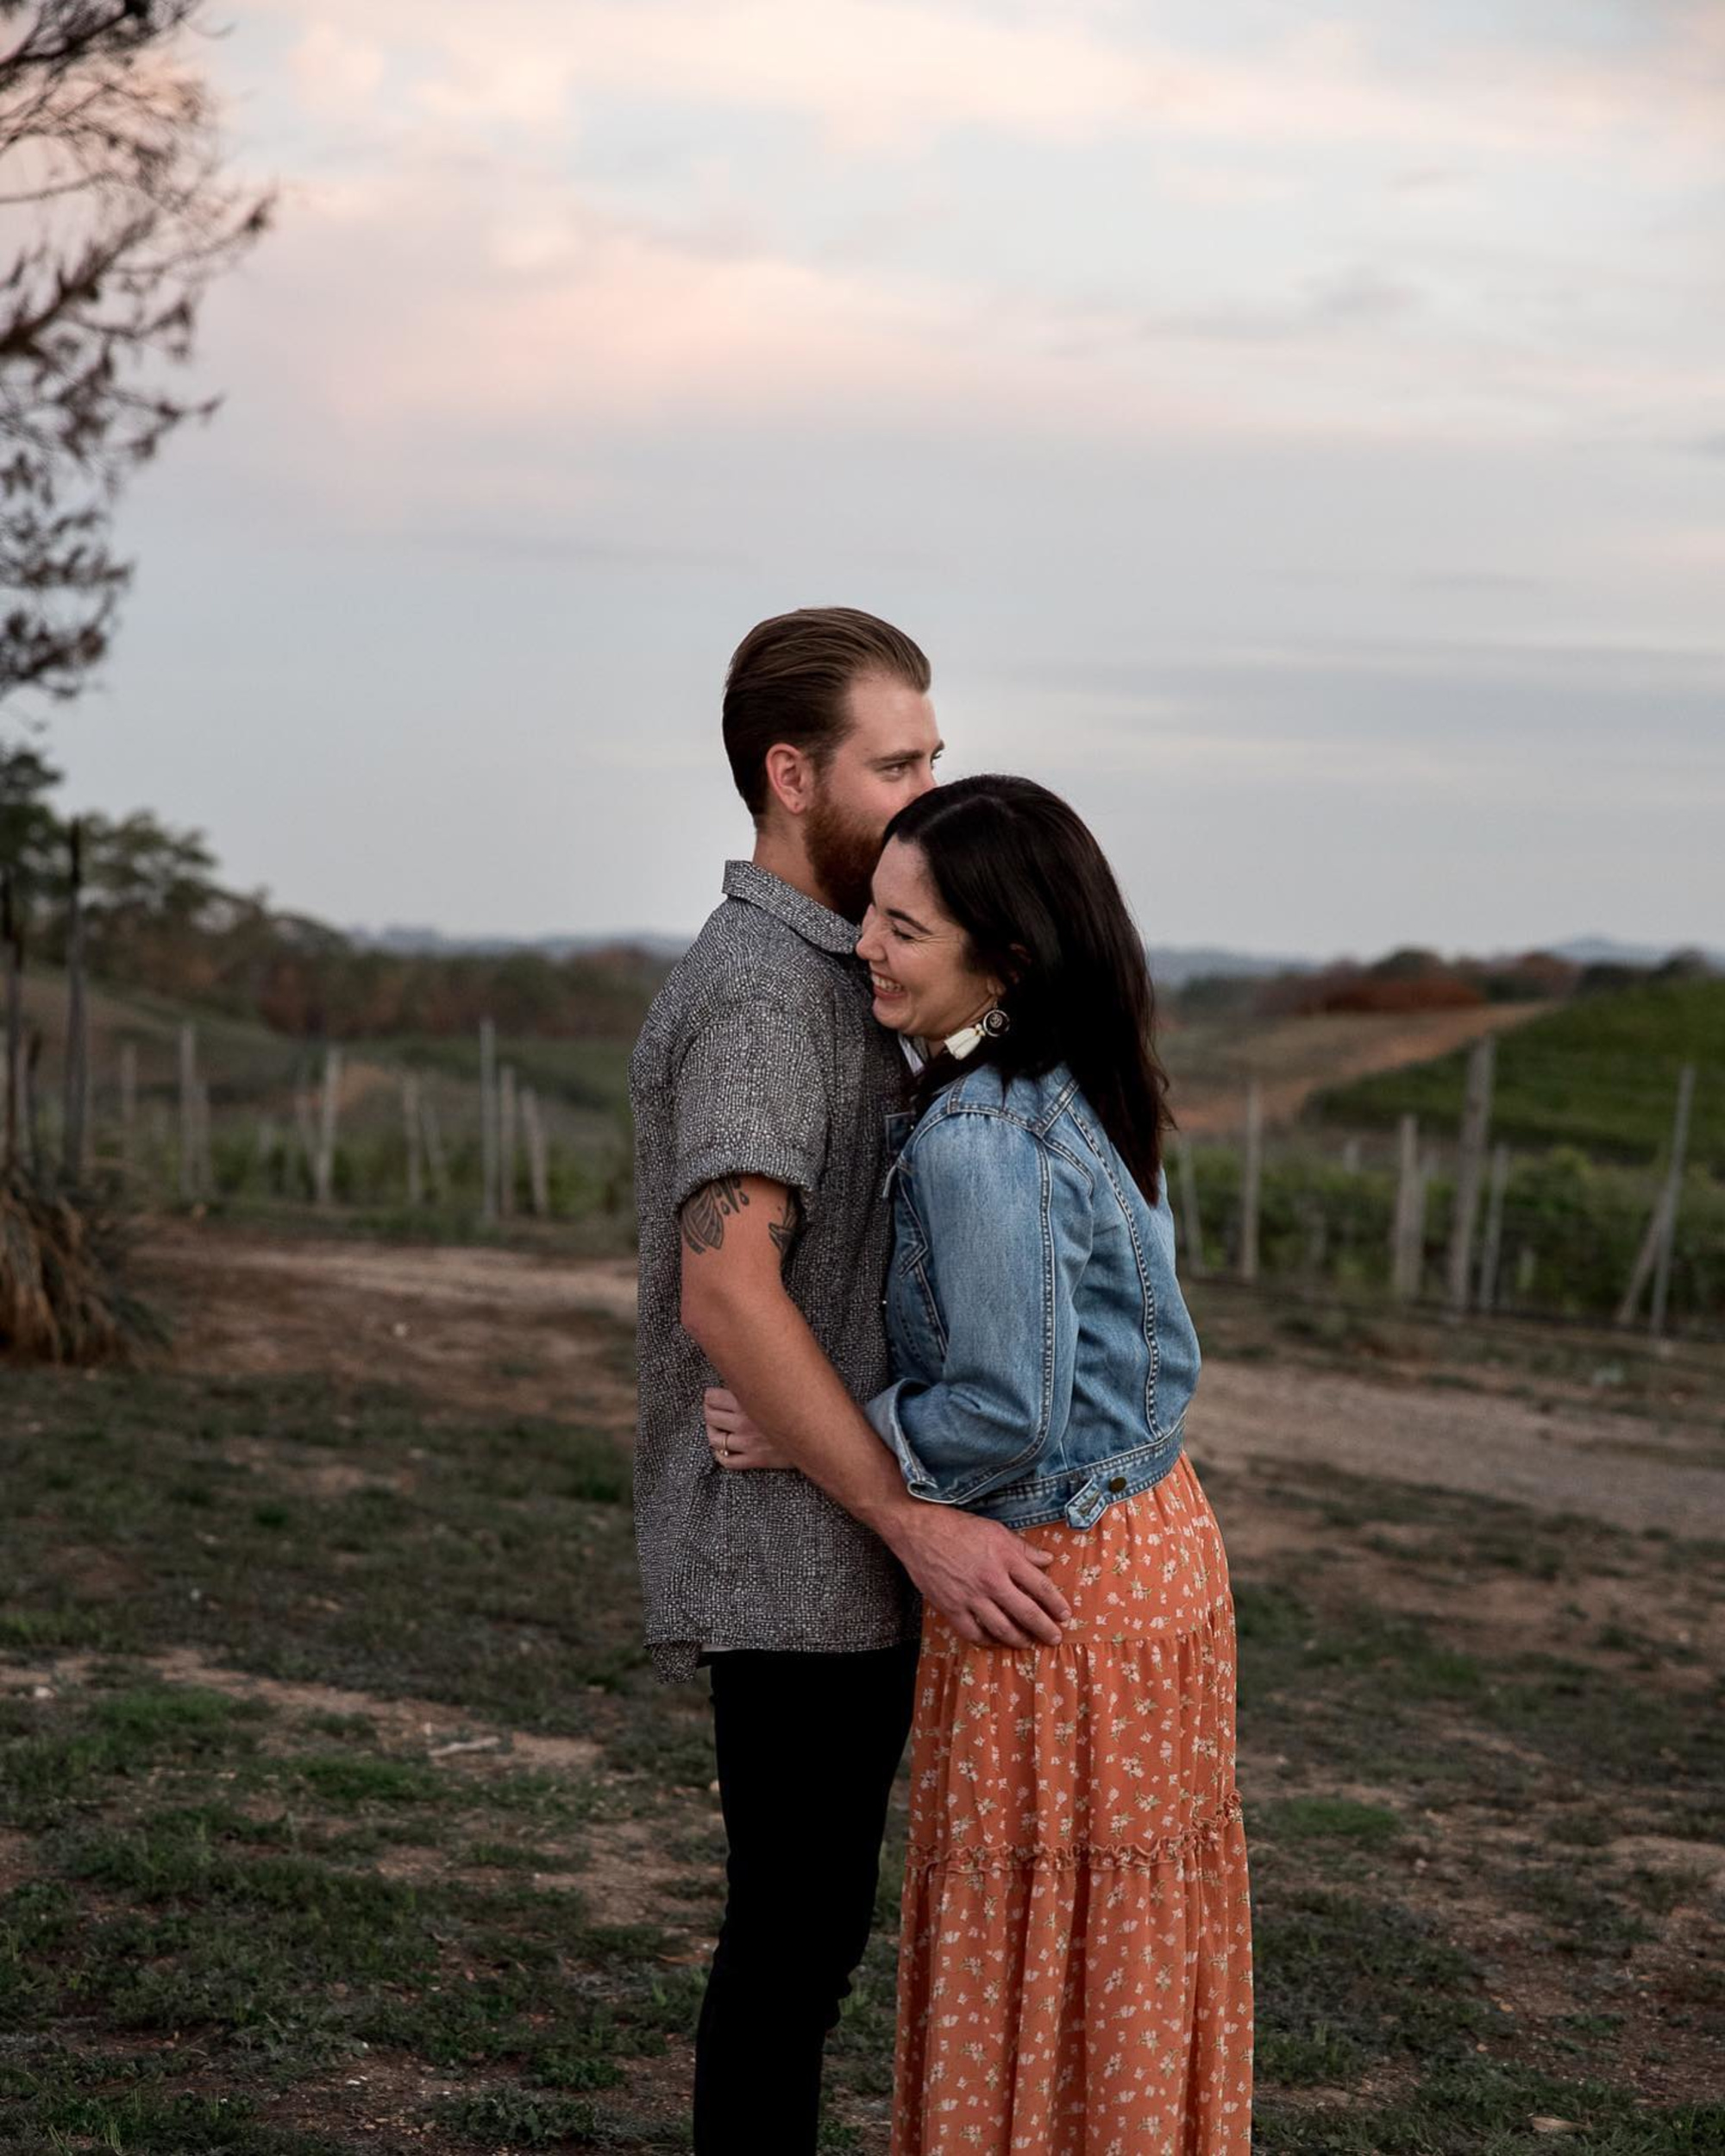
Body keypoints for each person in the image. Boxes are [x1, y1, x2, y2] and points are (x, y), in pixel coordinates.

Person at [704, 775, 1254, 2153]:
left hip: (1052, 1584)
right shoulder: (1082, 1082)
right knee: (1119, 1945)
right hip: (1154, 1547)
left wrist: (816, 1425)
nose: (866, 950)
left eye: (904, 932)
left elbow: (1005, 1409)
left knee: (1041, 1947)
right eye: (871, 917)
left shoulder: (977, 1138)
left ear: (1003, 961)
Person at [628, 613, 1072, 2156]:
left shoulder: (848, 967)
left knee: (812, 1943)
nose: (929, 786)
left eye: (936, 754)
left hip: (844, 1529)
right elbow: (725, 1285)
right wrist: (908, 1517)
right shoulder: (766, 993)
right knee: (793, 1955)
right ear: (792, 773)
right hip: (800, 1546)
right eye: (898, 763)